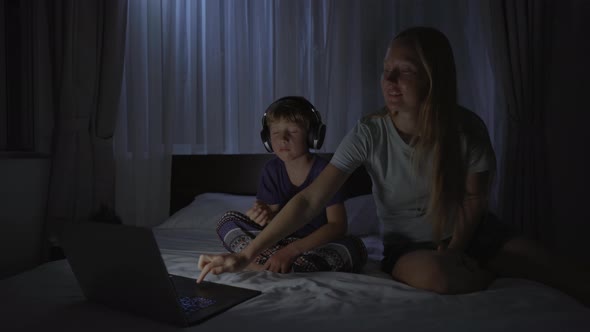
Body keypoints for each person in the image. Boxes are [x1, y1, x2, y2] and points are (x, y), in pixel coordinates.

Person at [198, 27, 590, 306]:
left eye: (405, 70)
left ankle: (480, 262)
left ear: (433, 78)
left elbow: (474, 196)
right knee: (437, 277)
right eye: (387, 70)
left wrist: (457, 248)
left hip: (475, 233)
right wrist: (246, 254)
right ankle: (485, 270)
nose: (390, 79)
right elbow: (310, 200)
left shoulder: (466, 127)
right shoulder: (370, 132)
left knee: (568, 275)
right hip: (409, 245)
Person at [215, 96, 367, 273]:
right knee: (227, 221)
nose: (283, 139)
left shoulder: (326, 171)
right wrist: (263, 215)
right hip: (277, 241)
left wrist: (291, 251)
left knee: (354, 246)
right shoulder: (271, 170)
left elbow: (337, 225)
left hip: (314, 244)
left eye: (293, 131)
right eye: (275, 133)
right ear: (267, 139)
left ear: (312, 135)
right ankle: (284, 265)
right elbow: (272, 221)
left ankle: (269, 263)